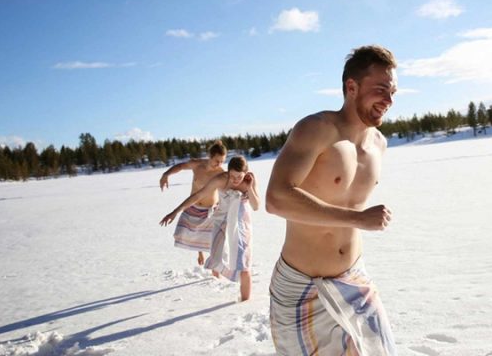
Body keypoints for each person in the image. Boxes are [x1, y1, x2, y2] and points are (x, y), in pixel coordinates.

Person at [265, 45, 398, 355]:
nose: (389, 101)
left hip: (354, 278)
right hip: (301, 286)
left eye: (393, 91)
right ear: (351, 87)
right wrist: (357, 219)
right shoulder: (317, 129)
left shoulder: (379, 143)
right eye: (381, 89)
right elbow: (276, 198)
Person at [161, 156, 260, 301]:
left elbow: (256, 206)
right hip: (222, 223)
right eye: (232, 176)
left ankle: (245, 303)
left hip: (241, 226)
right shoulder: (220, 179)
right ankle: (217, 280)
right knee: (218, 257)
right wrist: (175, 212)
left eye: (239, 176)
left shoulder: (249, 180)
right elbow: (198, 195)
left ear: (246, 173)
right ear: (228, 172)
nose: (235, 180)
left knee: (244, 265)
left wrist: (250, 187)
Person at [159, 141, 227, 266]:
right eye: (217, 161)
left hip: (210, 210)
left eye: (222, 161)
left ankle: (215, 269)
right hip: (193, 206)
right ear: (210, 157)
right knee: (189, 234)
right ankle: (200, 252)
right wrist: (166, 174)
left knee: (213, 241)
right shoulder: (197, 164)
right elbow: (180, 166)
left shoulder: (220, 173)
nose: (219, 164)